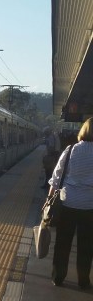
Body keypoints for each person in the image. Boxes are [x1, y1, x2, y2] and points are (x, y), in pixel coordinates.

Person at [49, 116, 93, 288]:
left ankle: (58, 276)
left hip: (68, 203)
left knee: (62, 243)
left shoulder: (71, 149)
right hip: (90, 206)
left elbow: (56, 177)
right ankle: (83, 279)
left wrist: (49, 199)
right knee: (86, 245)